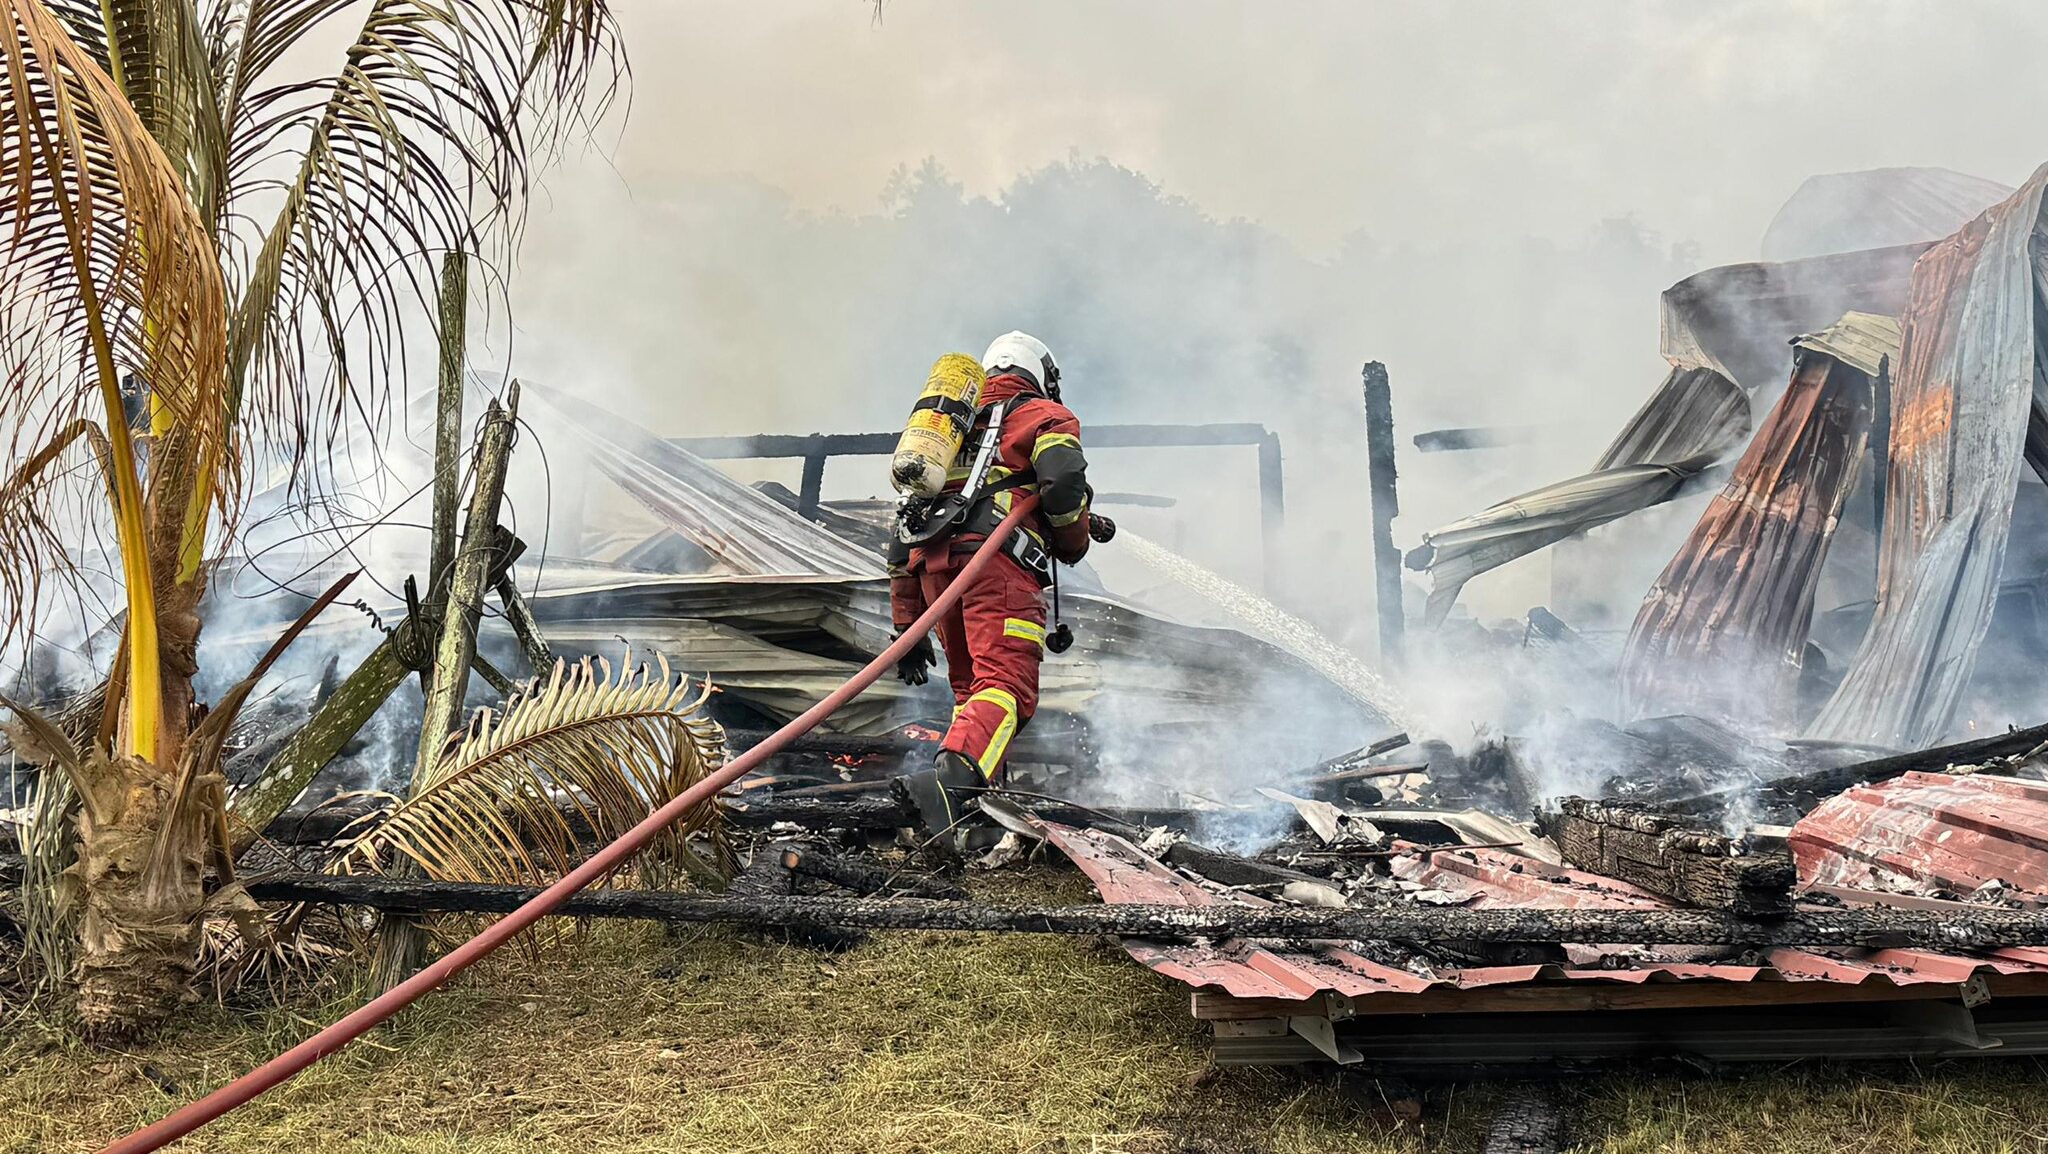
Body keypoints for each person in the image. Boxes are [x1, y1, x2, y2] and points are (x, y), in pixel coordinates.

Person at [888, 331, 1094, 844]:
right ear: (1041, 375)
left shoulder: (948, 432)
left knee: (971, 689)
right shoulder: (1043, 415)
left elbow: (902, 532)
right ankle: (950, 792)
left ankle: (969, 816)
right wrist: (1073, 541)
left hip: (934, 571)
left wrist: (905, 630)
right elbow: (1064, 481)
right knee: (1007, 687)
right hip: (996, 568)